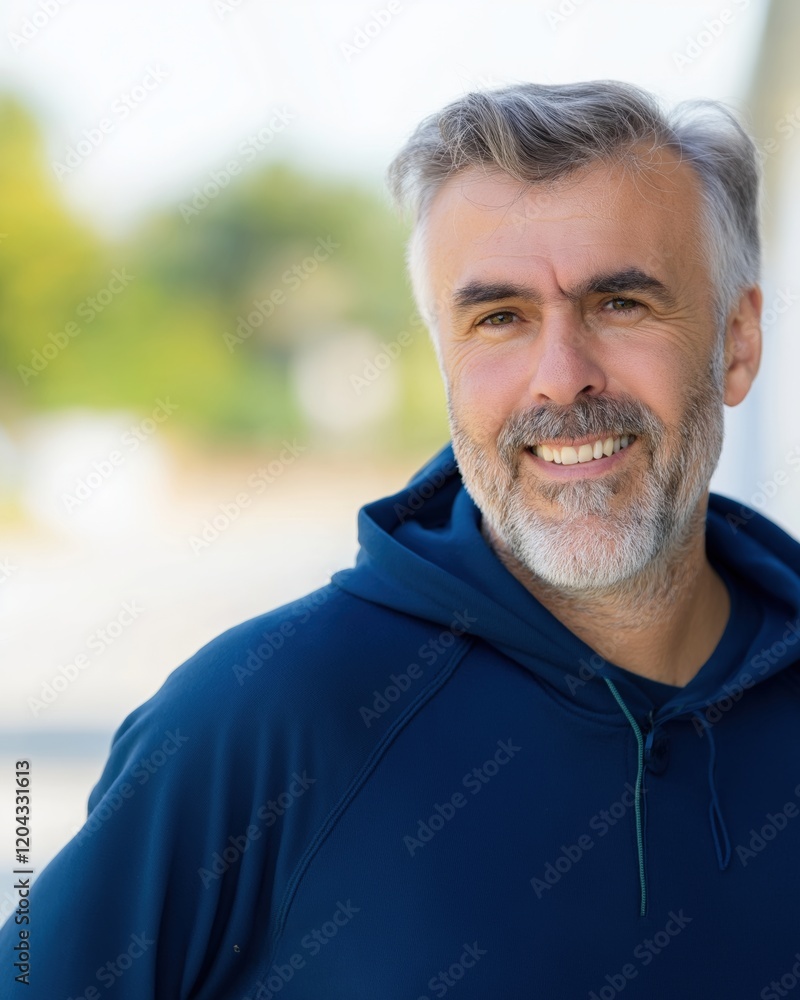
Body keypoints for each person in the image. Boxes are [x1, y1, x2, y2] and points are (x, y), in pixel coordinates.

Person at [5, 80, 800, 1000]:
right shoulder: (265, 716)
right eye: (498, 318)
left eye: (620, 303)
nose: (560, 378)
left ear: (737, 343)